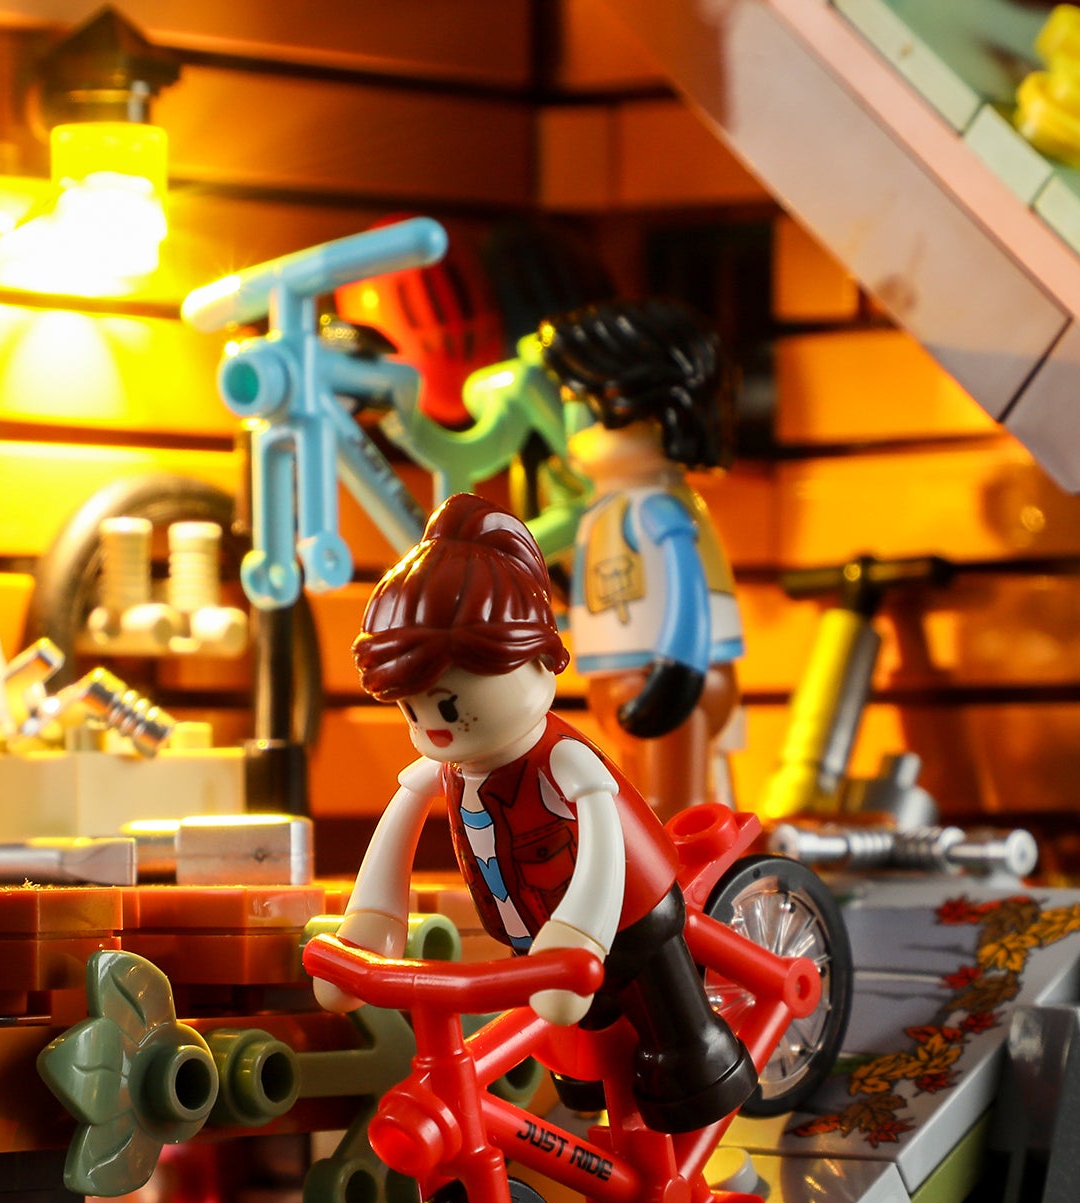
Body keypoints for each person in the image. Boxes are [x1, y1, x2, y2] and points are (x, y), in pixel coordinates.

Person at [312, 491, 757, 1135]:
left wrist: (578, 932)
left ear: (539, 659)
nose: (432, 726)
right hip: (535, 938)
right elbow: (396, 831)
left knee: (685, 1063)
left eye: (446, 703)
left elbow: (603, 839)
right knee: (580, 1074)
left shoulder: (563, 759)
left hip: (627, 917)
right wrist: (370, 926)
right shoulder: (453, 768)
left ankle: (706, 1086)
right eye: (412, 708)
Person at [533, 298, 744, 820]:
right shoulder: (609, 507)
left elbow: (686, 589)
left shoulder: (656, 507)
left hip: (672, 683)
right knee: (632, 807)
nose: (575, 431)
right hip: (623, 679)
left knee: (672, 811)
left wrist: (678, 670)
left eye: (587, 408)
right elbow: (605, 594)